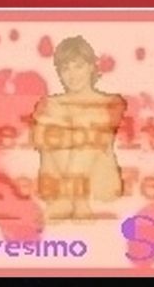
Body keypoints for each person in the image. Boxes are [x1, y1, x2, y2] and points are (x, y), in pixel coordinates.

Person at [30, 36, 125, 221]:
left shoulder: (111, 102)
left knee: (90, 119)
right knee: (54, 117)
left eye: (78, 66)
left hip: (98, 186)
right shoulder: (50, 104)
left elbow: (99, 138)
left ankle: (69, 197)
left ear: (91, 67)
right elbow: (39, 140)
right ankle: (76, 199)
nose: (72, 75)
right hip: (54, 188)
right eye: (66, 68)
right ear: (59, 73)